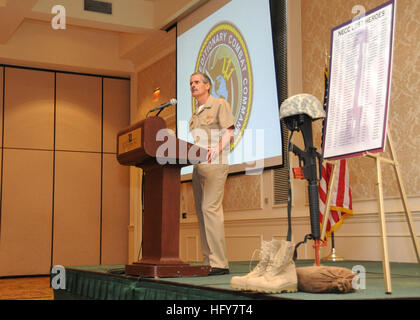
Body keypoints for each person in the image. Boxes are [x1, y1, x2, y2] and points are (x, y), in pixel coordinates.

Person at [189, 72, 235, 275]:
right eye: (191, 83)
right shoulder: (194, 114)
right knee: (201, 213)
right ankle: (208, 261)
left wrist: (217, 149)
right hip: (198, 166)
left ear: (208, 85)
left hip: (215, 163)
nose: (193, 85)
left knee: (210, 209)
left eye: (197, 82)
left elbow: (230, 131)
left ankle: (219, 263)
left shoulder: (219, 104)